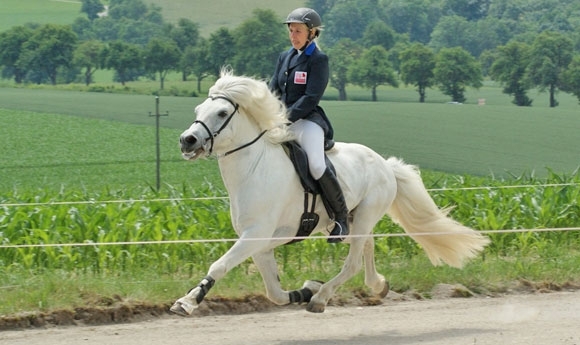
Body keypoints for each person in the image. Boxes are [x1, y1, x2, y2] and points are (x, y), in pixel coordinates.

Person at [269, 7, 349, 243]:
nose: (293, 36)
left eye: (298, 31)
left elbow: (311, 97)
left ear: (312, 33)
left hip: (307, 121)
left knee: (315, 165)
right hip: (282, 121)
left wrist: (284, 118)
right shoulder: (285, 56)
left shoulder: (318, 60)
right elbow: (273, 89)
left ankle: (341, 219)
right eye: (291, 31)